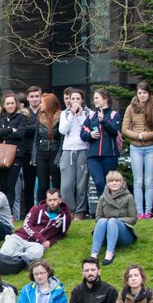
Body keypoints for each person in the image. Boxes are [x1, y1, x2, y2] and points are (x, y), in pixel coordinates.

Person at [0, 189, 71, 269]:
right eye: (50, 200)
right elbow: (26, 225)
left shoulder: (65, 217)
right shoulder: (37, 209)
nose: (52, 203)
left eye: (55, 200)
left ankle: (13, 259)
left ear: (60, 200)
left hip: (36, 244)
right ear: (46, 201)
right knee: (3, 253)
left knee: (37, 253)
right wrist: (42, 240)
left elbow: (61, 235)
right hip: (20, 237)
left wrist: (50, 242)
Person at [0, 91, 31, 211]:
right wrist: (10, 130)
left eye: (12, 103)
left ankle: (9, 212)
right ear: (3, 105)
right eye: (7, 103)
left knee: (10, 184)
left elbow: (20, 134)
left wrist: (4, 132)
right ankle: (1, 211)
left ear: (16, 104)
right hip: (0, 154)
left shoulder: (22, 117)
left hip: (16, 155)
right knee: (2, 185)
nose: (10, 106)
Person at [90, 170, 137, 265]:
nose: (114, 183)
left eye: (117, 181)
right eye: (111, 181)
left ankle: (110, 253)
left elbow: (133, 218)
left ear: (121, 182)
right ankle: (94, 254)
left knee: (111, 221)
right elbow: (98, 218)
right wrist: (108, 221)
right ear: (107, 183)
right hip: (106, 232)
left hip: (124, 233)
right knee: (103, 221)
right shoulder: (102, 198)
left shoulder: (128, 197)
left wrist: (115, 220)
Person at [59, 88, 93, 218]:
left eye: (78, 98)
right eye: (72, 98)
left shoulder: (89, 113)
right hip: (68, 149)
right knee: (67, 184)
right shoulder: (65, 113)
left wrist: (79, 115)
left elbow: (86, 128)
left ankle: (80, 212)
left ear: (82, 100)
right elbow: (62, 130)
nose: (75, 101)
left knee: (81, 184)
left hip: (83, 149)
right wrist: (72, 115)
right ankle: (69, 211)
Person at [82, 88, 121, 199]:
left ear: (105, 99)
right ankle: (102, 208)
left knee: (109, 184)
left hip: (109, 155)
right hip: (93, 156)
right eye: (94, 98)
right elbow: (83, 133)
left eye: (97, 98)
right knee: (99, 182)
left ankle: (109, 208)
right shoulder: (91, 116)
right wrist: (91, 135)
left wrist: (103, 121)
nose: (94, 100)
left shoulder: (114, 115)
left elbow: (114, 131)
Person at [32, 93, 63, 206]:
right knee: (42, 184)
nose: (40, 104)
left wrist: (59, 157)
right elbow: (36, 138)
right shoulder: (40, 117)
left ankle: (58, 207)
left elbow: (62, 140)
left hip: (54, 152)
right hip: (42, 152)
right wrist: (34, 157)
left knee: (56, 184)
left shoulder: (60, 117)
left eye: (43, 102)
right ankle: (41, 208)